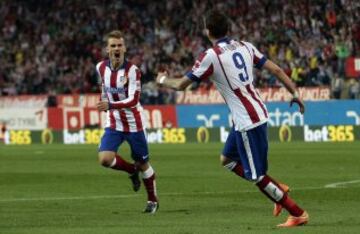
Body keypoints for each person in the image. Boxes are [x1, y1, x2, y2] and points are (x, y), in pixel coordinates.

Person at [156, 10, 308, 227]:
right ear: (228, 29)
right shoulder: (245, 46)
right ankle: (278, 188)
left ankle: (297, 212)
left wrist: (162, 79)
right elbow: (275, 69)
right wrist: (295, 93)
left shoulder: (211, 55)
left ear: (208, 31)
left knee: (256, 176)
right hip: (252, 114)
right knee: (227, 160)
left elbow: (181, 85)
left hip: (248, 121)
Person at [96, 30, 158, 213]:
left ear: (124, 48)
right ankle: (131, 170)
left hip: (134, 123)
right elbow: (103, 87)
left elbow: (133, 99)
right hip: (114, 122)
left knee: (143, 163)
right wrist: (104, 101)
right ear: (107, 49)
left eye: (119, 45)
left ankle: (152, 200)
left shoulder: (133, 71)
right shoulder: (100, 67)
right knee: (105, 159)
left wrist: (110, 104)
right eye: (113, 45)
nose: (116, 48)